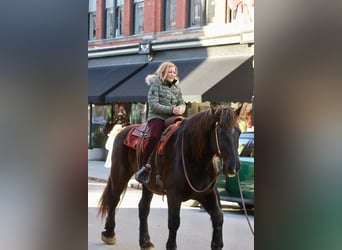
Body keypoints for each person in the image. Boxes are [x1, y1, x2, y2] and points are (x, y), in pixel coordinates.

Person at [135, 61, 186, 184]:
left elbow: (182, 102)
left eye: (174, 72)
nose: (172, 74)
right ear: (163, 72)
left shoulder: (176, 87)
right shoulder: (156, 85)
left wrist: (181, 109)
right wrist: (171, 109)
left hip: (172, 117)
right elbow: (153, 104)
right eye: (170, 71)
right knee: (154, 136)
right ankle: (144, 165)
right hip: (157, 117)